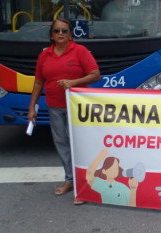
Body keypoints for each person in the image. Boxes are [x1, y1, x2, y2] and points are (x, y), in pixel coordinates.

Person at [28, 18, 101, 205]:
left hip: (78, 108)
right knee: (61, 143)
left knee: (79, 144)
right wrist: (31, 108)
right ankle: (70, 180)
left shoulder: (80, 51)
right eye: (57, 31)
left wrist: (72, 83)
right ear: (51, 35)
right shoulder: (45, 56)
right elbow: (38, 82)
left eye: (65, 30)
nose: (61, 33)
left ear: (70, 34)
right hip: (55, 106)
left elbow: (95, 74)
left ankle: (84, 185)